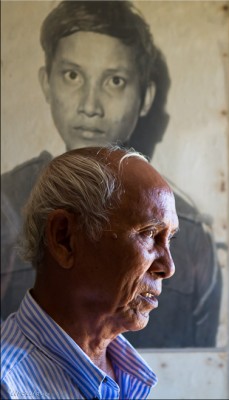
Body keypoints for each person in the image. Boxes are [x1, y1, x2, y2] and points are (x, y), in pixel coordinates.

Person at [1, 0, 222, 347]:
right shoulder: (4, 202)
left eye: (115, 80)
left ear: (145, 96)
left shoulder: (192, 238)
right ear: (47, 82)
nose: (90, 106)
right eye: (73, 75)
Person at [1, 146, 179, 400]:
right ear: (64, 238)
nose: (168, 267)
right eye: (149, 234)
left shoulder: (127, 375)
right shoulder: (8, 385)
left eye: (169, 239)